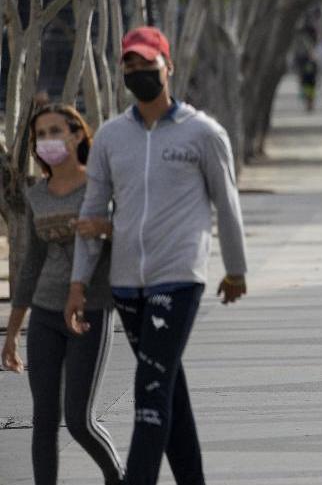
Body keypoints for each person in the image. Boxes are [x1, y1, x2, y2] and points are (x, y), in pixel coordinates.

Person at [64, 26, 249, 484]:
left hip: (178, 277)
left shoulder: (203, 134)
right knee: (168, 389)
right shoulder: (110, 137)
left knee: (149, 392)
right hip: (127, 283)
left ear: (168, 66)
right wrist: (78, 283)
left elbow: (226, 203)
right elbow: (92, 212)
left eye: (148, 62)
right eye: (130, 63)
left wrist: (236, 268)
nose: (139, 71)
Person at [3, 104, 122, 485]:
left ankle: (117, 475)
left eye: (56, 131)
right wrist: (12, 332)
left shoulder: (99, 186)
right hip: (45, 314)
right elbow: (31, 266)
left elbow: (130, 239)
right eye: (41, 134)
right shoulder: (37, 195)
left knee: (78, 420)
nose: (47, 140)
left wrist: (107, 229)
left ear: (76, 135)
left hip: (92, 310)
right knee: (43, 419)